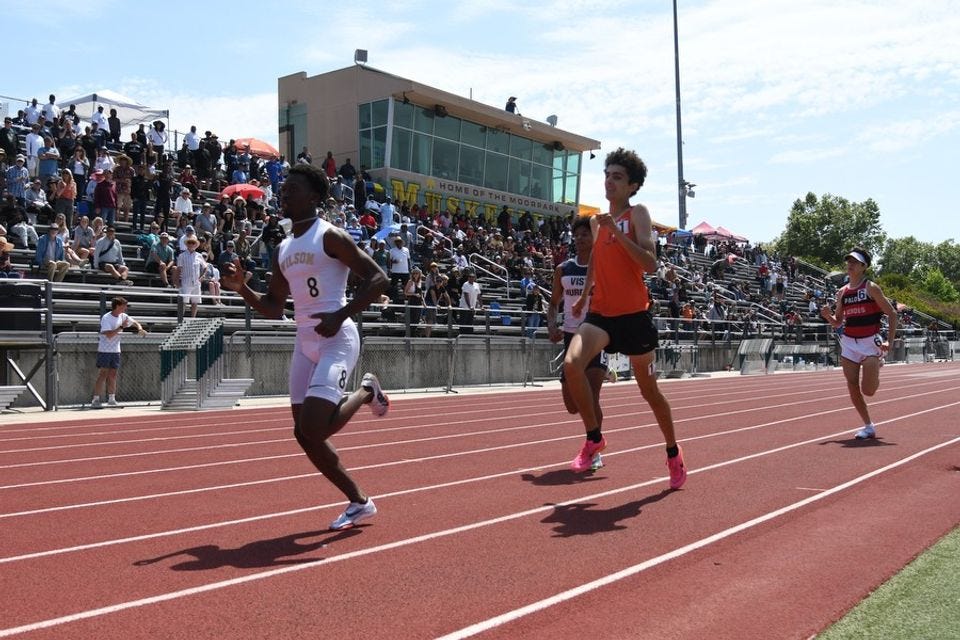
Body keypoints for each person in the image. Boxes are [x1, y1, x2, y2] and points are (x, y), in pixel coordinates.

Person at [220, 162, 390, 531]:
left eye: (292, 189)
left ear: (314, 197)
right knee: (303, 434)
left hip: (337, 338)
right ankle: (360, 502)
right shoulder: (282, 248)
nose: (284, 193)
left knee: (314, 428)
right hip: (305, 341)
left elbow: (379, 279)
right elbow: (273, 308)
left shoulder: (331, 236)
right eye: (283, 189)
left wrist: (339, 314)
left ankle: (365, 390)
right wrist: (242, 290)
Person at [564, 148, 686, 488]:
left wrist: (616, 233)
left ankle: (673, 452)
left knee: (650, 392)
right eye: (607, 175)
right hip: (601, 314)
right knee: (572, 366)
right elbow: (596, 265)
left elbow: (650, 263)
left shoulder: (637, 214)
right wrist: (584, 298)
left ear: (632, 186)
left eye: (617, 177)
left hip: (634, 316)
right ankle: (594, 438)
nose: (609, 181)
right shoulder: (594, 221)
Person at [548, 215, 608, 470]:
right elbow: (553, 304)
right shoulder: (563, 269)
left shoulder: (602, 269)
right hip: (571, 338)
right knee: (573, 405)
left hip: (595, 335)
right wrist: (551, 324)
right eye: (578, 234)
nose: (582, 238)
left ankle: (594, 448)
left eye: (586, 234)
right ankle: (593, 442)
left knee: (592, 398)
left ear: (594, 237)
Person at [820, 247, 898, 439]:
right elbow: (838, 322)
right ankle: (868, 426)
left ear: (864, 266)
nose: (850, 265)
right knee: (852, 386)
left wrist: (889, 341)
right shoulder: (842, 293)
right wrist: (828, 316)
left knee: (868, 391)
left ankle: (878, 363)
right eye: (848, 261)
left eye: (855, 262)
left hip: (870, 343)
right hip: (849, 343)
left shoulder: (871, 287)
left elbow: (892, 314)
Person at [91, 296, 146, 408]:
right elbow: (109, 335)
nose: (125, 308)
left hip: (116, 350)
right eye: (123, 306)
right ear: (117, 306)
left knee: (113, 374)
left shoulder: (123, 316)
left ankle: (112, 399)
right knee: (103, 374)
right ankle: (95, 399)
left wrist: (139, 328)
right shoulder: (106, 318)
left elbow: (134, 322)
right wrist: (121, 327)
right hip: (105, 350)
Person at [176, 234, 207, 317]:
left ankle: (192, 319)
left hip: (196, 282)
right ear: (187, 244)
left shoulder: (199, 255)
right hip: (186, 281)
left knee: (195, 302)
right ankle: (180, 319)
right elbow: (178, 269)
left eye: (193, 243)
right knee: (183, 302)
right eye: (189, 243)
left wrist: (202, 276)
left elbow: (205, 267)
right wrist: (177, 282)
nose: (191, 244)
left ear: (195, 245)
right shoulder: (182, 256)